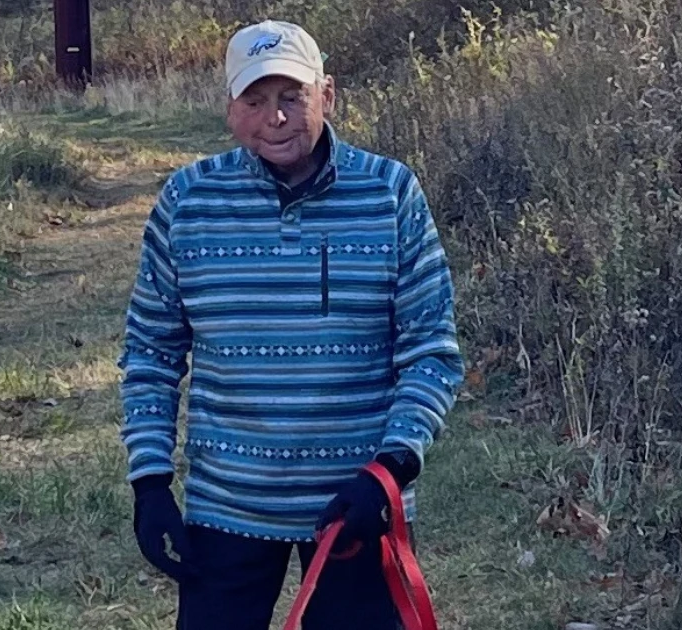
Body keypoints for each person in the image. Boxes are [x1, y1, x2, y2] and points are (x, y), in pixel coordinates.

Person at [117, 18, 465, 630]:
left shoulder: (391, 194)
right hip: (227, 506)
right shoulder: (186, 202)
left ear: (327, 94)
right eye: (255, 100)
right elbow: (151, 350)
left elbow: (431, 350)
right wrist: (149, 483)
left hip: (356, 504)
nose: (274, 118)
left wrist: (393, 465)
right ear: (230, 108)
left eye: (291, 97)